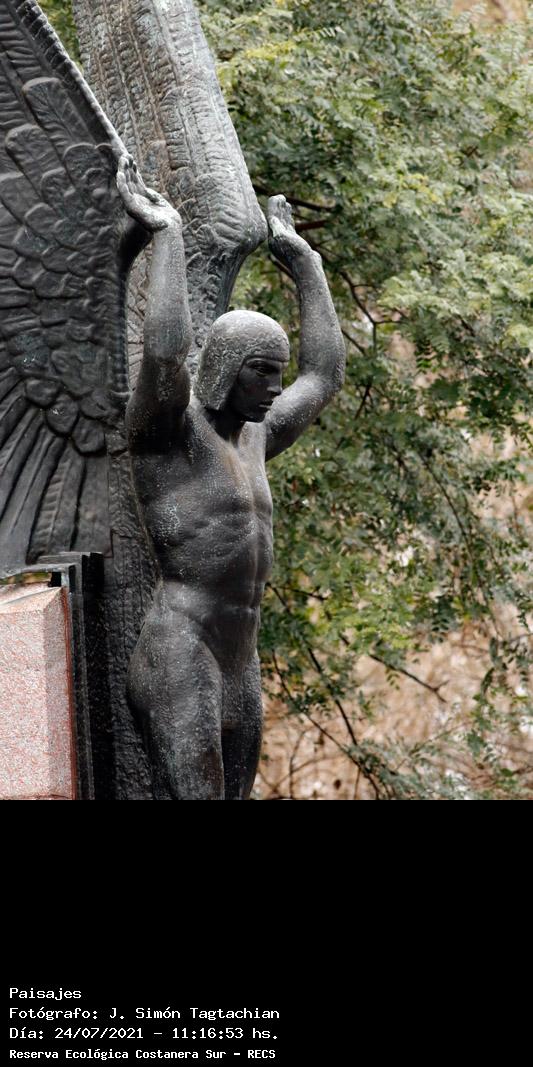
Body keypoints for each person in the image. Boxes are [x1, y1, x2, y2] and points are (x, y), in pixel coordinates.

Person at [116, 156, 345, 799]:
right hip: (181, 650)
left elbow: (323, 375)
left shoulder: (256, 435)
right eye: (261, 372)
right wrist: (167, 235)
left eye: (277, 374)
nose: (275, 388)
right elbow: (164, 355)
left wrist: (306, 263)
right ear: (223, 368)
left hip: (241, 657)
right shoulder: (168, 433)